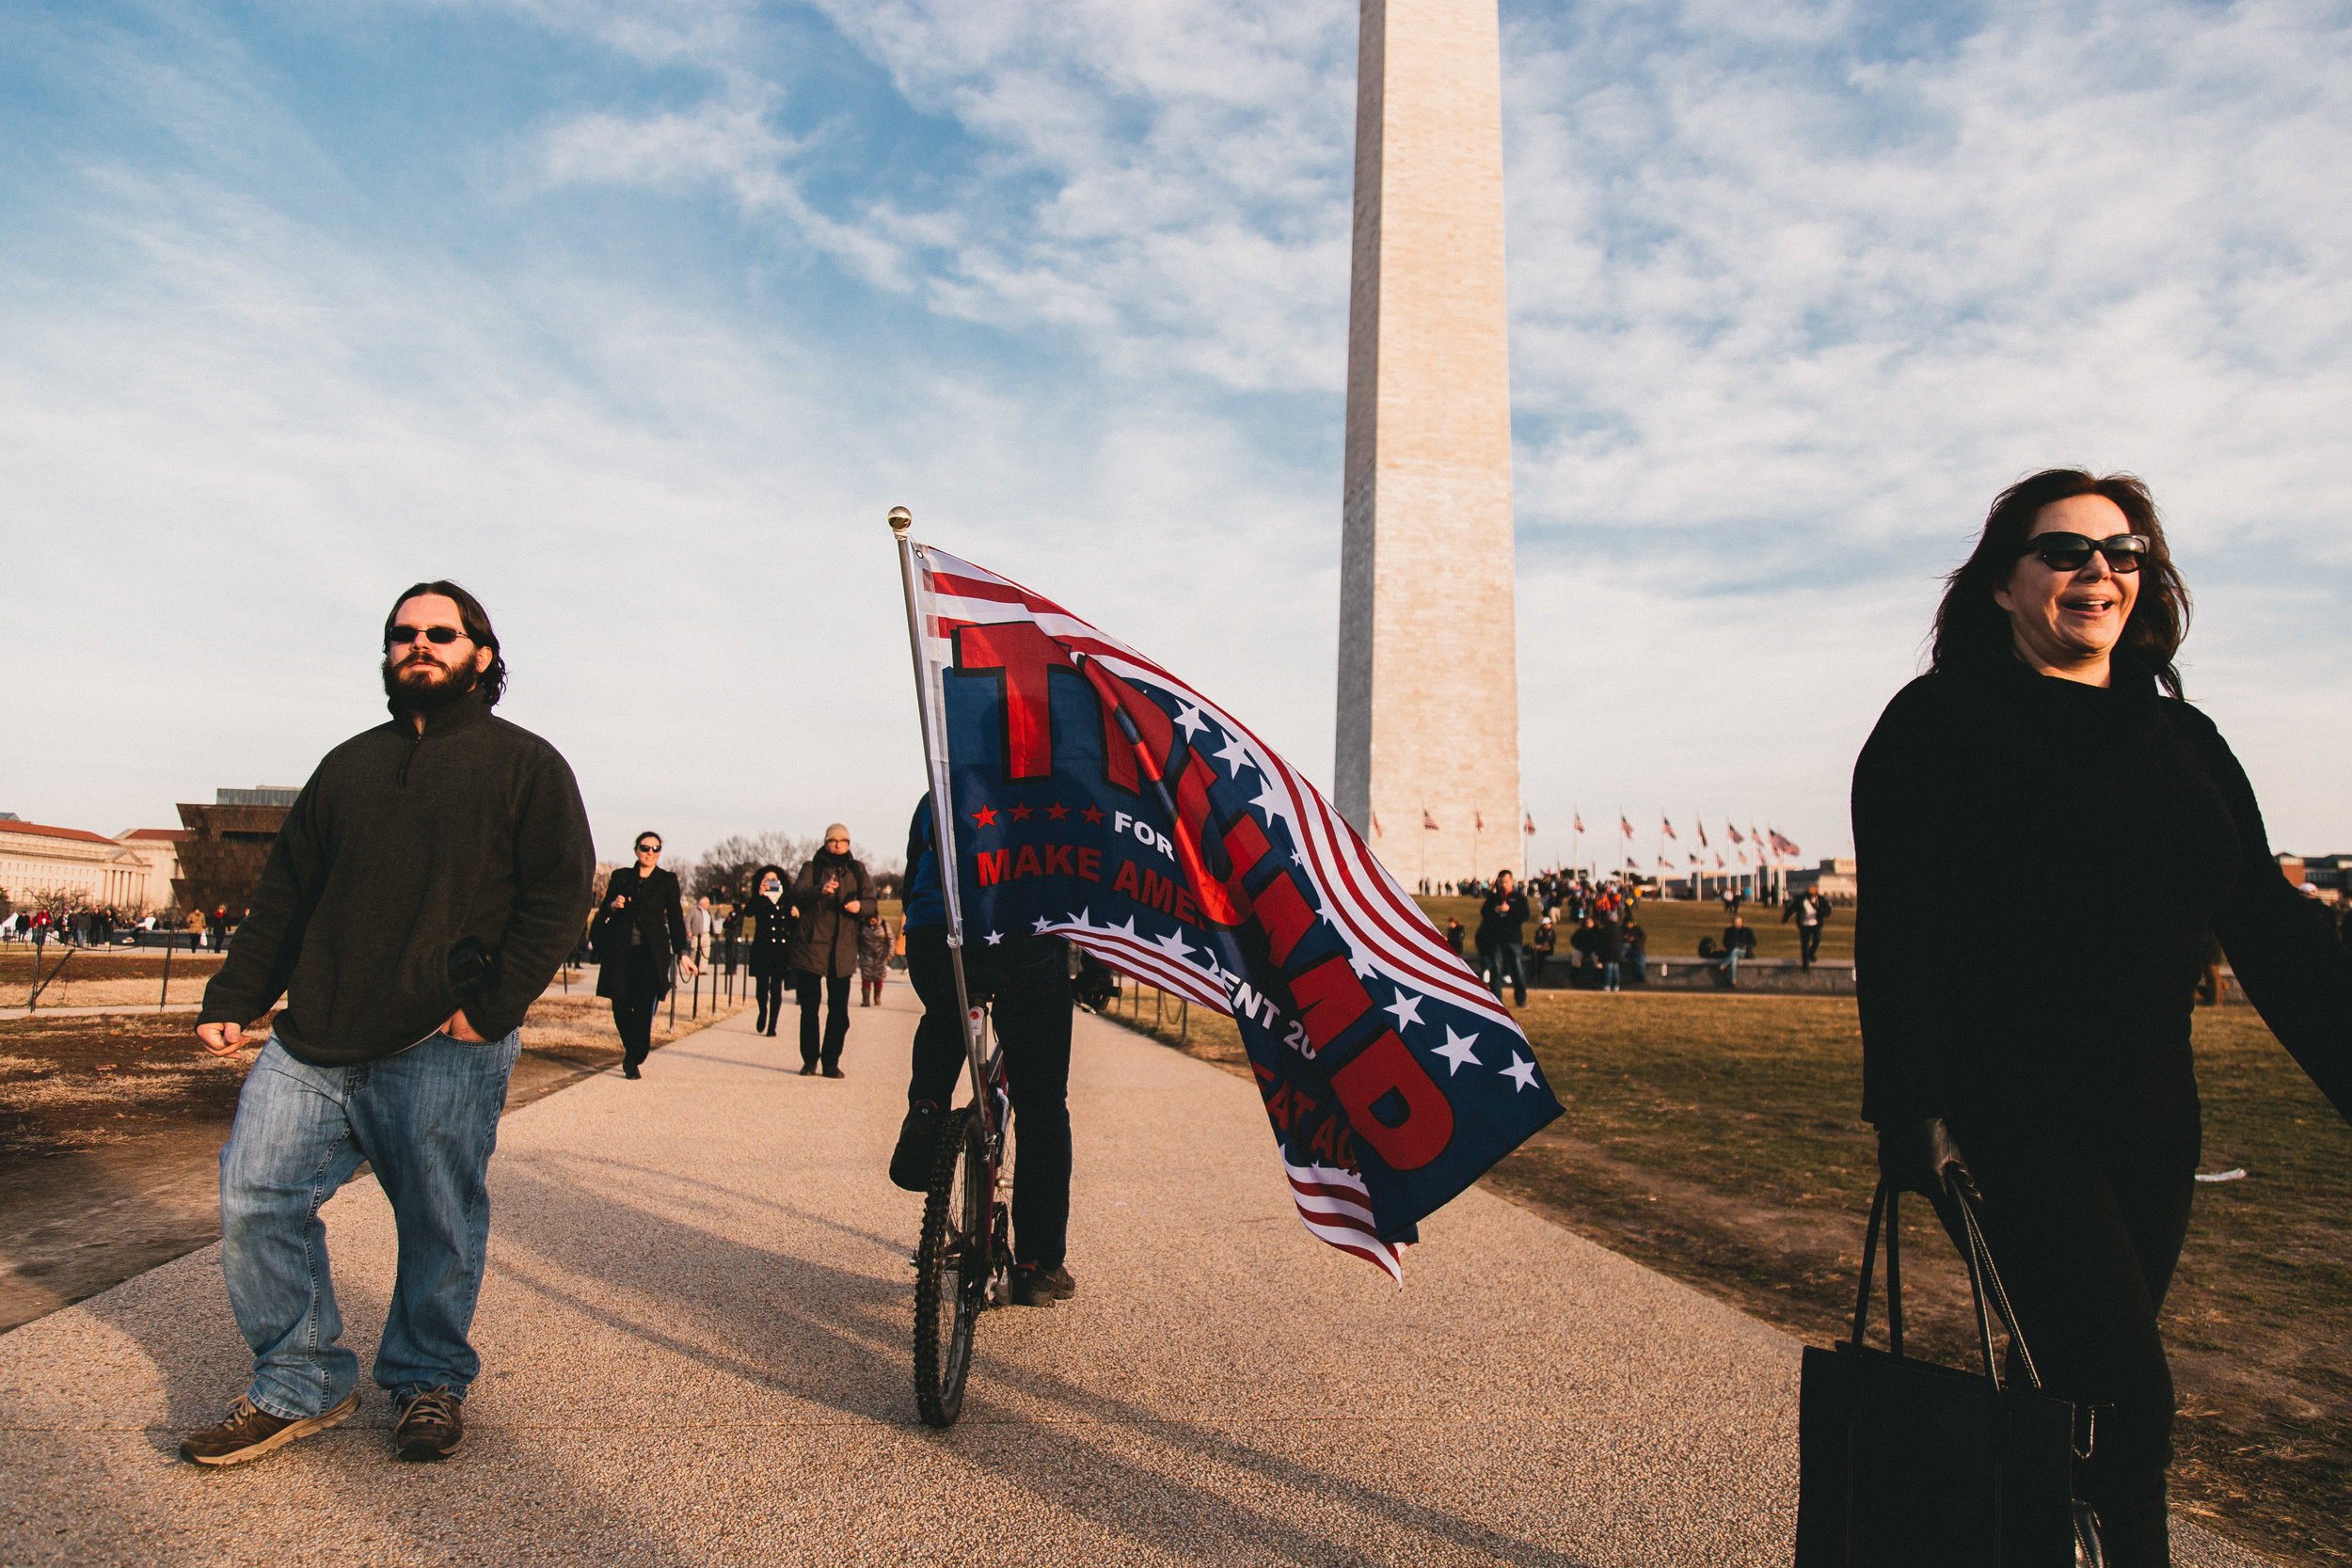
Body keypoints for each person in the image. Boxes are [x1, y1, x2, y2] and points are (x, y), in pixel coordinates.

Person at [1853, 469, 2352, 1566]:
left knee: (2081, 1392)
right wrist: (1906, 1112)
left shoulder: (2187, 742)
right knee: (2131, 1396)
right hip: (2008, 1115)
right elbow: (1893, 930)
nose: (2099, 571)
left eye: (2122, 552)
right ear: (1999, 585)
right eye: (2065, 551)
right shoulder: (1935, 721)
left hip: (2155, 1117)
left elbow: (2265, 926)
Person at [181, 580, 593, 1468]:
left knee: (438, 1218)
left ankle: (427, 1377)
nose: (420, 646)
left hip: (440, 1038)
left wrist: (489, 1007)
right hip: (313, 1036)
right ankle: (300, 1377)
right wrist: (234, 996)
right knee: (255, 1193)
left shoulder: (527, 764)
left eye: (440, 633)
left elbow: (560, 896)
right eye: (403, 635)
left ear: (481, 652)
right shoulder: (347, 766)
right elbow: (284, 895)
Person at [888, 798, 1075, 1307]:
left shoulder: (938, 781)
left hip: (938, 926)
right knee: (1041, 1102)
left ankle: (925, 1110)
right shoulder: (1054, 787)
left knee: (945, 1013)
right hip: (1024, 929)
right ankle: (1038, 1264)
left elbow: (911, 880)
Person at [592, 833, 694, 1080]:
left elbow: (676, 918)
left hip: (650, 955)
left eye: (655, 848)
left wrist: (683, 952)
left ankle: (635, 1054)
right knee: (620, 1004)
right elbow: (605, 908)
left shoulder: (667, 880)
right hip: (621, 952)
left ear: (659, 852)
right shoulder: (621, 876)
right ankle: (631, 1050)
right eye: (645, 848)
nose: (650, 852)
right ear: (636, 849)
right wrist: (613, 906)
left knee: (643, 1005)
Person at [791, 825, 871, 1078]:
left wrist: (860, 906)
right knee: (810, 1009)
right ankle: (809, 1060)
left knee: (839, 1012)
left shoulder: (857, 870)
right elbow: (797, 895)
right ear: (825, 842)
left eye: (843, 840)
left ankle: (831, 1061)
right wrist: (820, 890)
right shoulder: (811, 868)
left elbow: (871, 903)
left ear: (848, 843)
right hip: (812, 947)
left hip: (842, 949)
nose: (838, 844)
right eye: (833, 840)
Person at [744, 863, 793, 1036]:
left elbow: (792, 923)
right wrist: (759, 894)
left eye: (773, 879)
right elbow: (748, 913)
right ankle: (763, 1011)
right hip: (762, 948)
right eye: (767, 879)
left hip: (780, 949)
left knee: (777, 988)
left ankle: (773, 1025)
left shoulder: (786, 898)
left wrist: (795, 913)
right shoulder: (759, 898)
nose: (770, 882)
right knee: (762, 987)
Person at [1477, 871, 1532, 1006]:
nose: (1503, 884)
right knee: (1496, 972)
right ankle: (1497, 1002)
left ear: (1512, 881)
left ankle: (1521, 999)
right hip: (1496, 940)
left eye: (1506, 881)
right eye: (1501, 882)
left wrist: (1509, 910)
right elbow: (1484, 914)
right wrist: (1495, 910)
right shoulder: (1493, 898)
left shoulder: (1519, 898)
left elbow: (1525, 915)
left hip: (1514, 940)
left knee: (1518, 972)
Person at [1783, 887, 1832, 970]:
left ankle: (1811, 954)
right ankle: (1805, 965)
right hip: (1804, 925)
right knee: (1805, 945)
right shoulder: (1801, 900)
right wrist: (1785, 918)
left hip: (1816, 924)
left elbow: (1827, 909)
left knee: (1817, 939)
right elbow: (1792, 909)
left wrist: (1823, 913)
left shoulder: (1820, 900)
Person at [857, 912, 892, 1006]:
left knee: (878, 978)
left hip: (880, 955)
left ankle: (877, 998)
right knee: (866, 977)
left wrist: (890, 953)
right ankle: (866, 1000)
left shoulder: (883, 924)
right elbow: (857, 939)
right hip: (866, 955)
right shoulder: (861, 925)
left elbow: (890, 939)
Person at [1717, 915, 1756, 988]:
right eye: (1736, 923)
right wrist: (1732, 945)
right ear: (1732, 923)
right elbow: (1725, 943)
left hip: (1744, 952)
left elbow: (1754, 943)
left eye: (1739, 922)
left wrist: (1746, 946)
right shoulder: (1728, 931)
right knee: (1733, 958)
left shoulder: (1747, 931)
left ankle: (1723, 965)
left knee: (1735, 951)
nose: (1738, 924)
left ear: (1742, 923)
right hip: (1732, 952)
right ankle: (1733, 981)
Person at [1531, 916, 1557, 984]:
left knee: (1541, 959)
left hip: (1548, 950)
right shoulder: (1539, 931)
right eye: (1545, 924)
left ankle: (1538, 976)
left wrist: (1547, 944)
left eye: (1548, 924)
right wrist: (1541, 944)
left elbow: (1552, 941)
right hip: (1539, 948)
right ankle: (1534, 975)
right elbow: (1537, 940)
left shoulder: (1552, 932)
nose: (1546, 926)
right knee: (1534, 956)